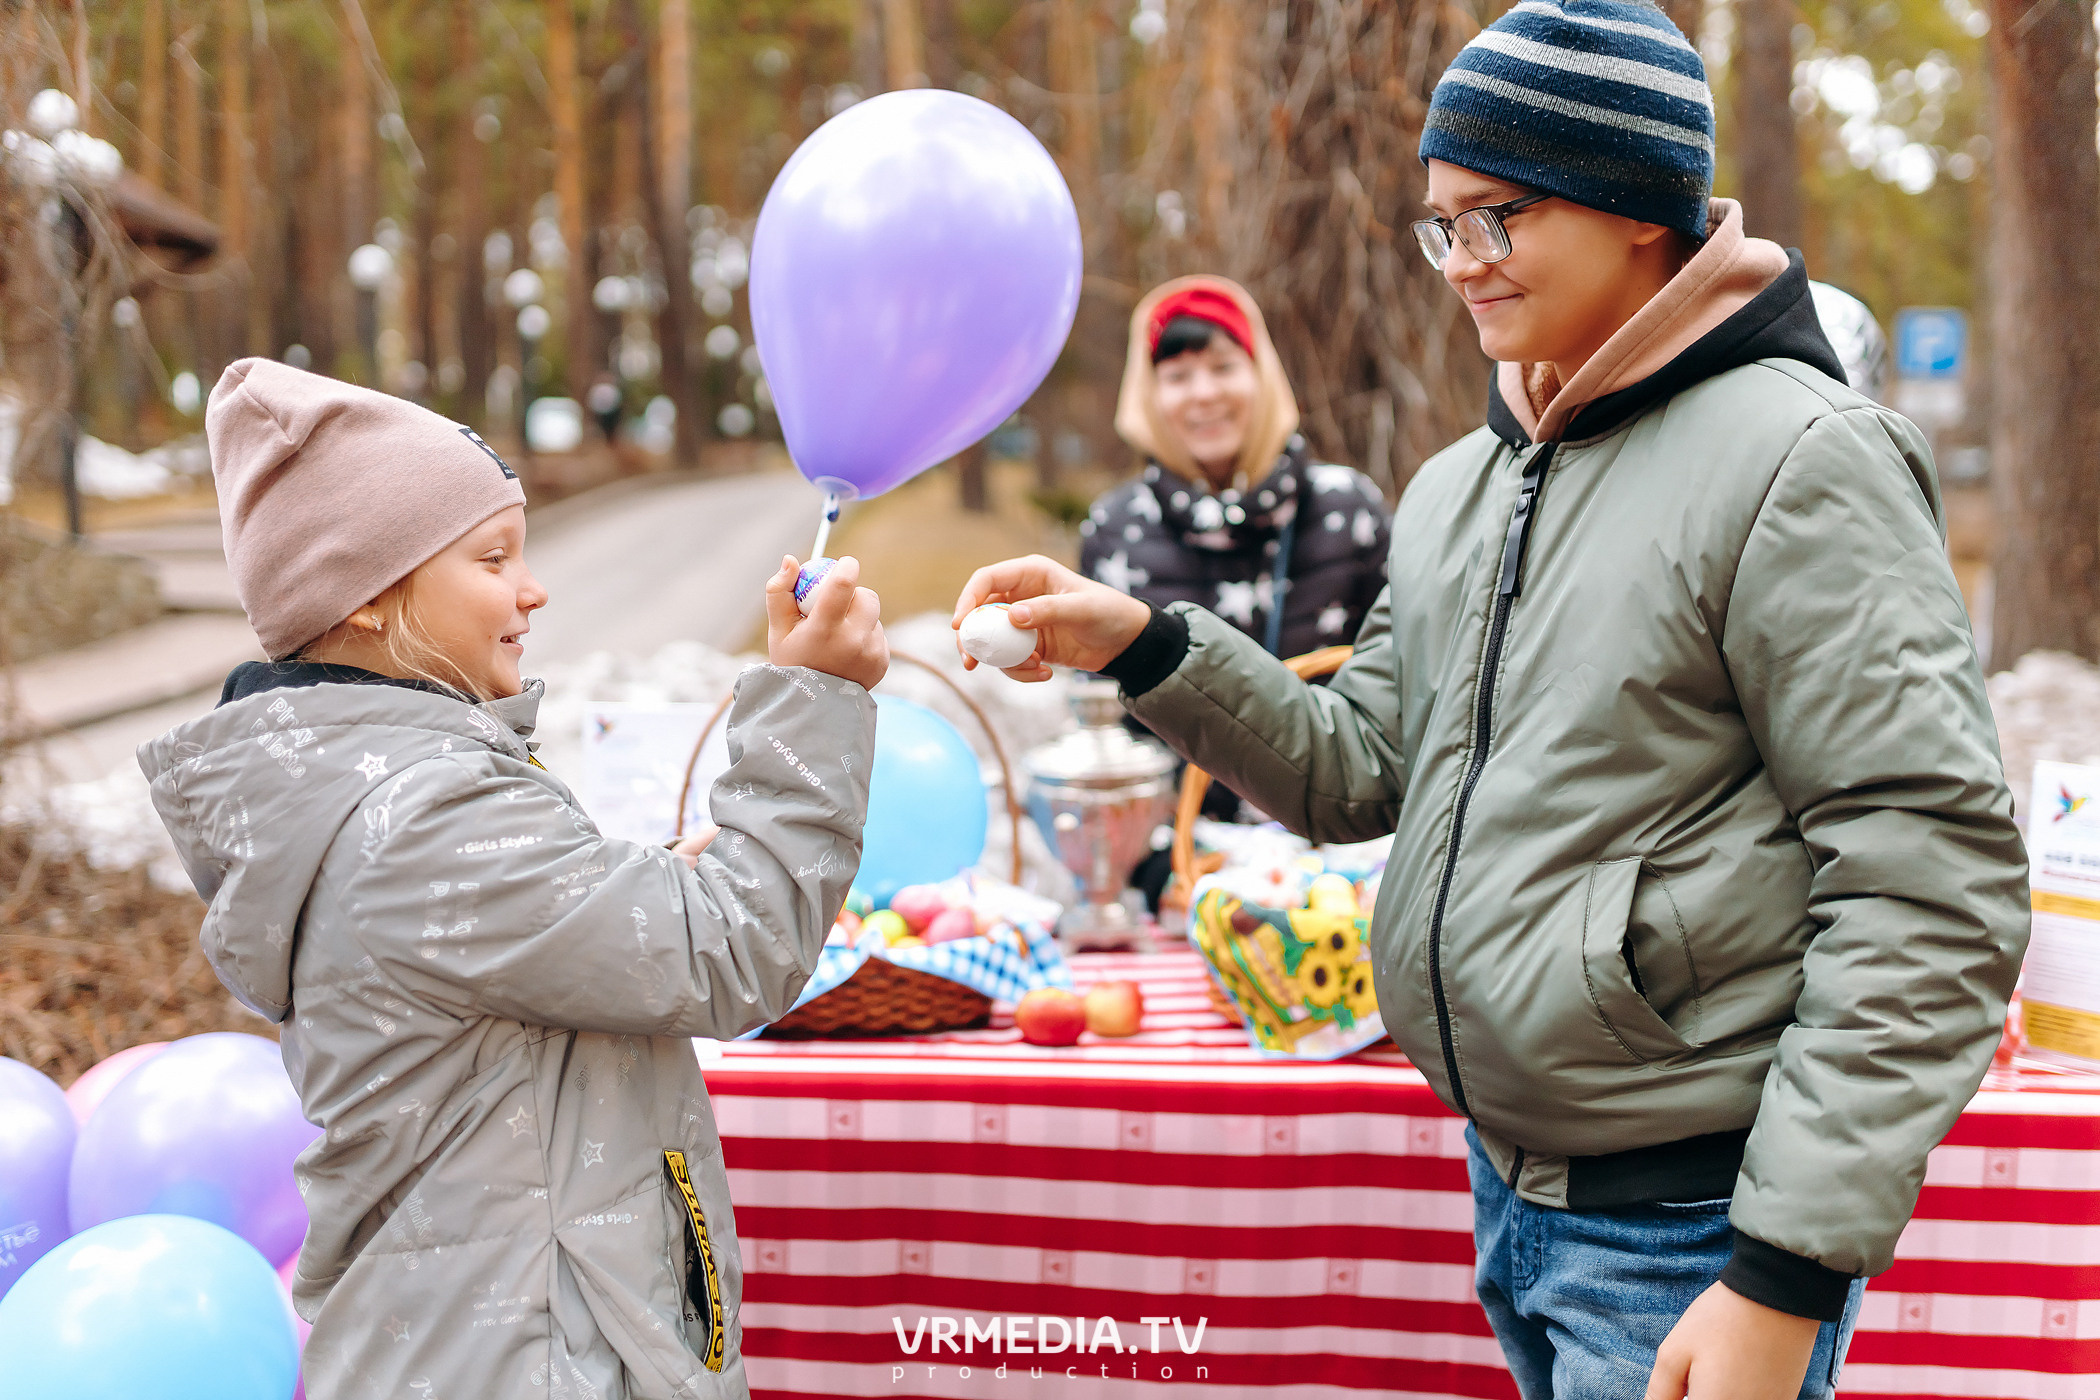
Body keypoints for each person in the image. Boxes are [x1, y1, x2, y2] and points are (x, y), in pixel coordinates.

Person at [952, 3, 2028, 1397]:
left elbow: (1929, 876)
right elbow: (1362, 767)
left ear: (1635, 203)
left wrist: (1783, 1270)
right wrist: (1146, 645)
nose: (1459, 263)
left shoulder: (1801, 459)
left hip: (1689, 1228)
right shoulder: (1466, 482)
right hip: (1513, 1197)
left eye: (1496, 219)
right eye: (1439, 224)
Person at [139, 359, 886, 1399]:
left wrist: (633, 883)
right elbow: (734, 949)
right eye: (493, 558)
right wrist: (817, 695)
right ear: (365, 600)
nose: (532, 589)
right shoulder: (424, 815)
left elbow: (504, 973)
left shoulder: (392, 795)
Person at [1082, 275, 1390, 661]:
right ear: (1148, 396)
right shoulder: (1114, 527)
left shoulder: (1347, 508)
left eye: (1224, 367)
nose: (1205, 394)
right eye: (1177, 376)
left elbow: (1396, 666)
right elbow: (1096, 692)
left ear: (1262, 375)